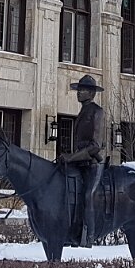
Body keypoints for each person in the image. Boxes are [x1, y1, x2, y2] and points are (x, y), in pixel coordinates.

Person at [59, 74, 106, 246]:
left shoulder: (97, 112)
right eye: (78, 89)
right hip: (80, 163)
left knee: (88, 196)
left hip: (92, 164)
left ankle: (89, 238)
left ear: (92, 93)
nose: (79, 92)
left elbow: (95, 146)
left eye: (83, 90)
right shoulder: (82, 112)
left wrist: (72, 157)